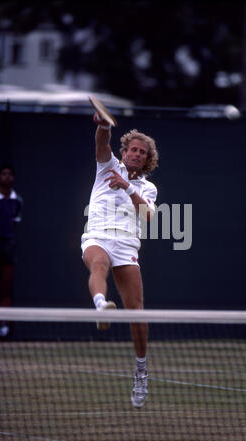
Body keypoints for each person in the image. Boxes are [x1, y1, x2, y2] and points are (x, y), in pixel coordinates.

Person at [81, 113, 159, 407]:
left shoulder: (148, 188)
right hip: (98, 235)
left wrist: (127, 187)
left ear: (147, 159)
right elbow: (102, 142)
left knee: (137, 314)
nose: (136, 154)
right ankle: (101, 305)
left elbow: (149, 216)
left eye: (142, 152)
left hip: (126, 242)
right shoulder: (107, 166)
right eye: (132, 149)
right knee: (98, 264)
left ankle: (141, 371)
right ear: (124, 152)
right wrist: (103, 125)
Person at [0, 165, 23, 338]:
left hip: (8, 247)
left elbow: (14, 223)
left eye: (10, 174)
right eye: (4, 174)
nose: (7, 177)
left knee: (6, 288)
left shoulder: (17, 200)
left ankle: (4, 328)